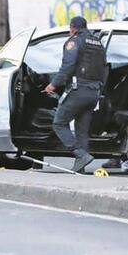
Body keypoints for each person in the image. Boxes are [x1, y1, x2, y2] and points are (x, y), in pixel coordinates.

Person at [45, 16, 107, 174]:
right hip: (93, 92)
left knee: (59, 123)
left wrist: (53, 84)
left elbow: (68, 66)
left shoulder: (73, 42)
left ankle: (80, 154)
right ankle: (82, 167)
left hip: (78, 89)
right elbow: (104, 68)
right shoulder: (98, 43)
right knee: (81, 130)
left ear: (73, 28)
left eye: (69, 28)